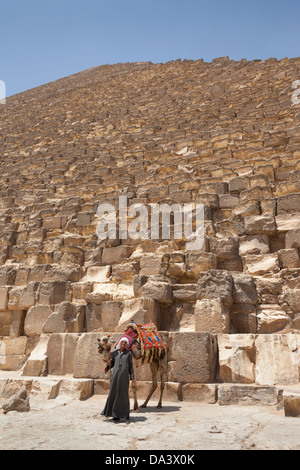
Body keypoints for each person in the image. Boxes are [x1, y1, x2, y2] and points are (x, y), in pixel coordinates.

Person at [101, 337, 135, 421]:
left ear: (127, 345)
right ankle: (114, 415)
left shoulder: (129, 354)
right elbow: (111, 365)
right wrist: (109, 363)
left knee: (123, 395)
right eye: (122, 342)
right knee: (114, 393)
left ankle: (125, 414)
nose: (123, 344)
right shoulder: (115, 353)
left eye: (125, 343)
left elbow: (131, 367)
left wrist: (132, 378)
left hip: (124, 378)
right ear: (120, 343)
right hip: (115, 377)